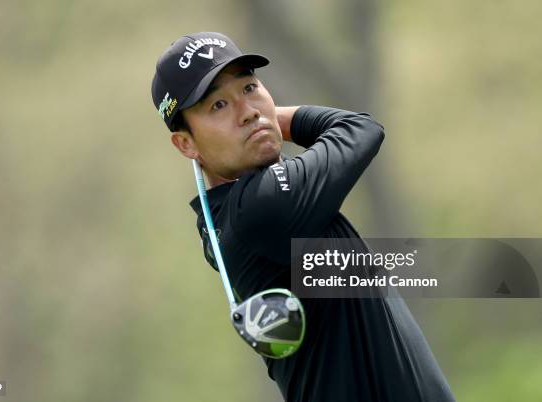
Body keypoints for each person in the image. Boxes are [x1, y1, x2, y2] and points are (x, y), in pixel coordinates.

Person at [151, 32, 455, 402]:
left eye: (250, 88)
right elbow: (360, 129)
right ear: (186, 144)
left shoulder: (227, 215)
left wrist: (257, 124)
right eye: (218, 105)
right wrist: (274, 121)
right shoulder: (263, 209)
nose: (247, 110)